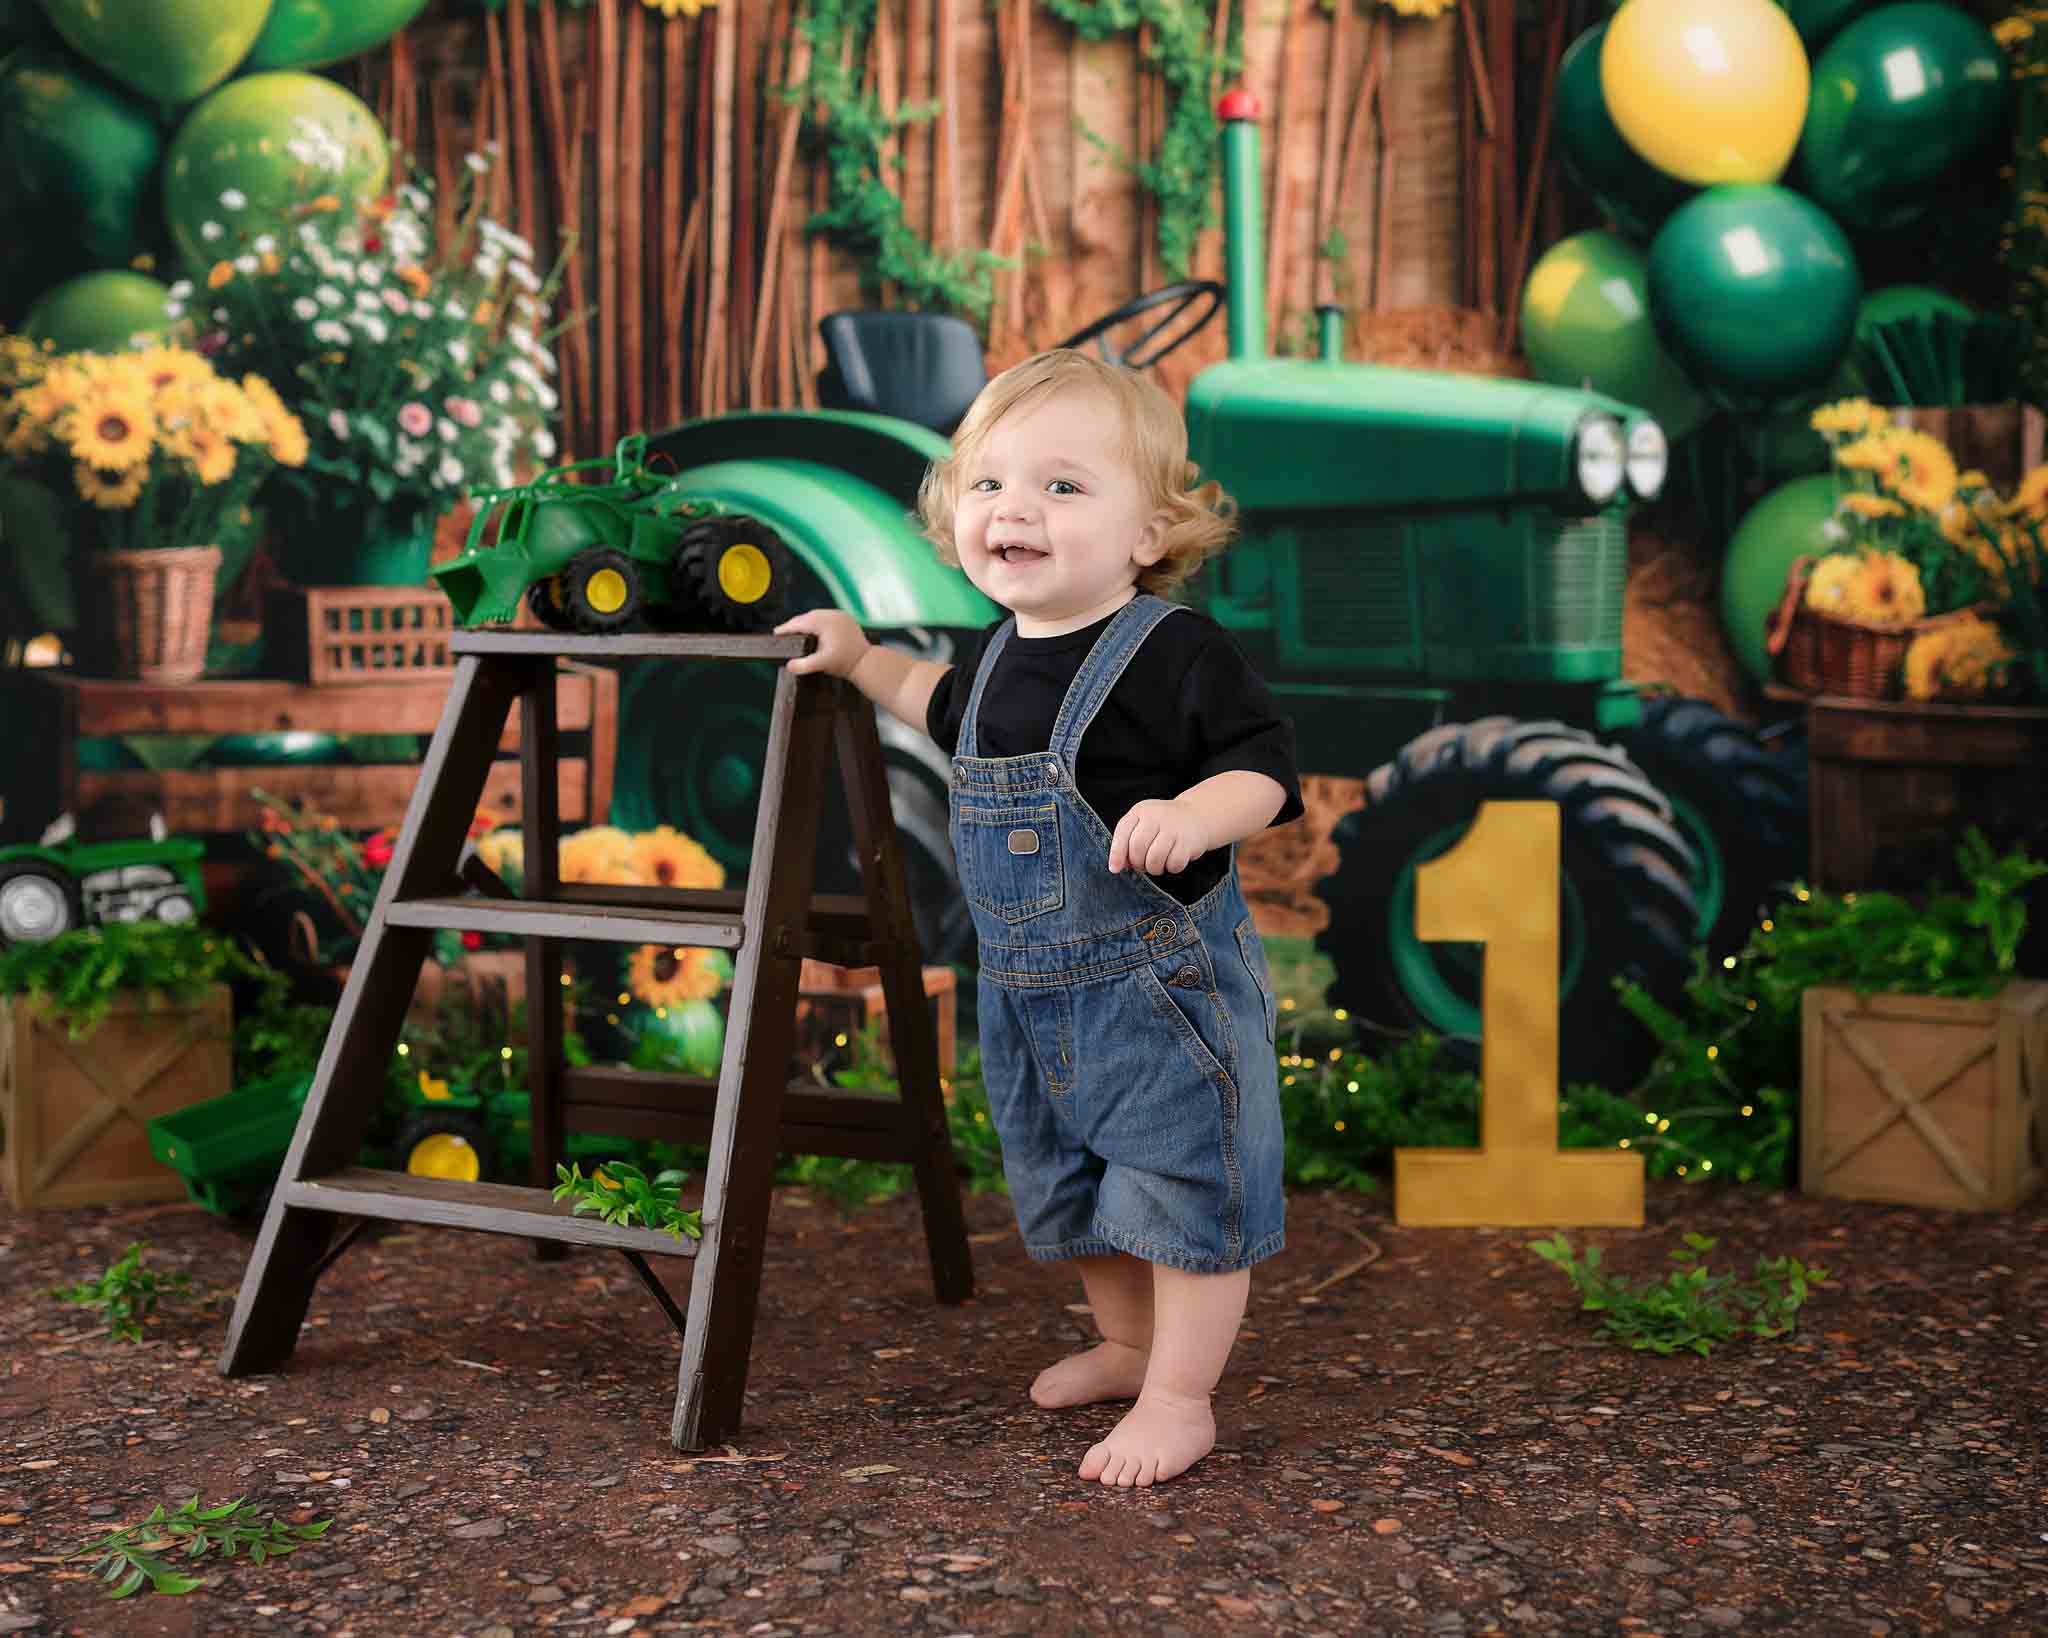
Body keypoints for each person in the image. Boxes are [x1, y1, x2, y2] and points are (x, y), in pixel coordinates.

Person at [776, 348, 1302, 1488]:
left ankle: (1181, 1398)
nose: (1013, 509)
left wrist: (1194, 813)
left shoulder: (1174, 652)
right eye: (988, 483)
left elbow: (1263, 770)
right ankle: (1126, 1348)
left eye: (1062, 486)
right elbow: (937, 705)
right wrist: (861, 660)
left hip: (1157, 993)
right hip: (1027, 994)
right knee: (1073, 1185)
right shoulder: (996, 653)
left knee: (1182, 1187)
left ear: (1148, 533)